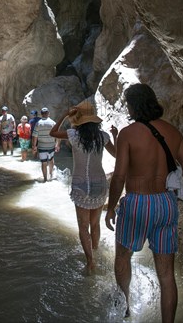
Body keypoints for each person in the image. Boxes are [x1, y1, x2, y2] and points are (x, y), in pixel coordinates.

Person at [105, 83, 183, 322]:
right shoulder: (173, 132)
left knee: (123, 257)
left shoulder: (128, 133)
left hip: (137, 203)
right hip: (166, 202)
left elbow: (120, 175)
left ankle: (126, 310)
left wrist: (111, 207)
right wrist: (170, 186)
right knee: (166, 274)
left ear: (134, 105)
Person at [50, 100, 117, 274]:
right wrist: (115, 135)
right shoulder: (103, 136)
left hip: (80, 184)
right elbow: (117, 154)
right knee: (95, 224)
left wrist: (65, 115)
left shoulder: (73, 135)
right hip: (100, 183)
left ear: (78, 120)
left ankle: (90, 262)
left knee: (83, 226)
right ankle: (96, 252)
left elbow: (53, 132)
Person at [31, 107, 58, 182]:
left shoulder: (38, 123)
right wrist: (57, 144)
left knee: (43, 163)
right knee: (51, 159)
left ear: (41, 114)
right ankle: (51, 175)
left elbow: (35, 136)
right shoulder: (53, 123)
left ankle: (45, 179)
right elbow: (58, 135)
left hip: (42, 146)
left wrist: (34, 146)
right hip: (51, 146)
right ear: (48, 114)